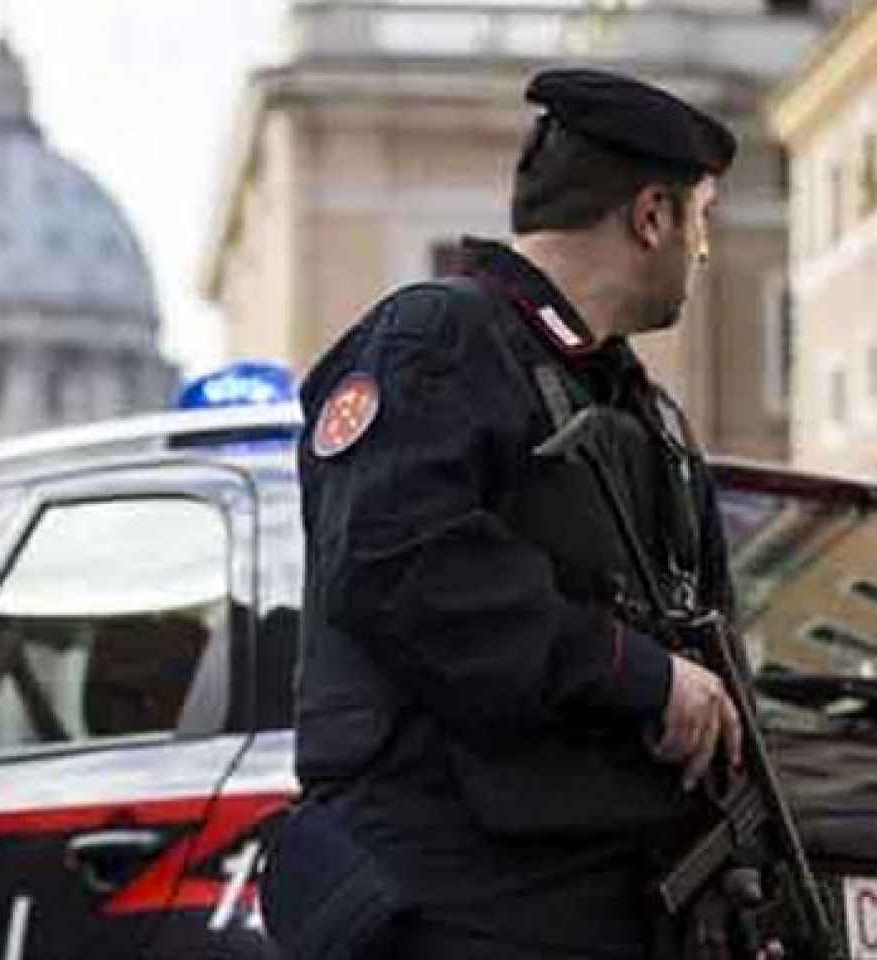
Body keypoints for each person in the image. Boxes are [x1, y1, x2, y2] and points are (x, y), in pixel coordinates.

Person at [282, 69, 758, 959]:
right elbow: (401, 566)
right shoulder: (436, 342)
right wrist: (640, 676)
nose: (702, 250)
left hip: (606, 897)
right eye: (702, 218)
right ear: (651, 215)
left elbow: (708, 633)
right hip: (463, 895)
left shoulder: (644, 410)